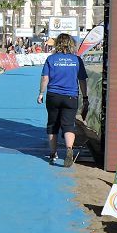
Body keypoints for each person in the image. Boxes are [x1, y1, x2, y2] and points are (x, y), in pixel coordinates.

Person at [36, 32, 88, 167]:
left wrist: (41, 93)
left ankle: (53, 154)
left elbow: (45, 78)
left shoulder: (51, 59)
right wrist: (85, 96)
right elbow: (82, 80)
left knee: (52, 125)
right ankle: (69, 149)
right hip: (71, 96)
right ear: (71, 44)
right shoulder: (77, 60)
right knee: (69, 124)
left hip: (53, 95)